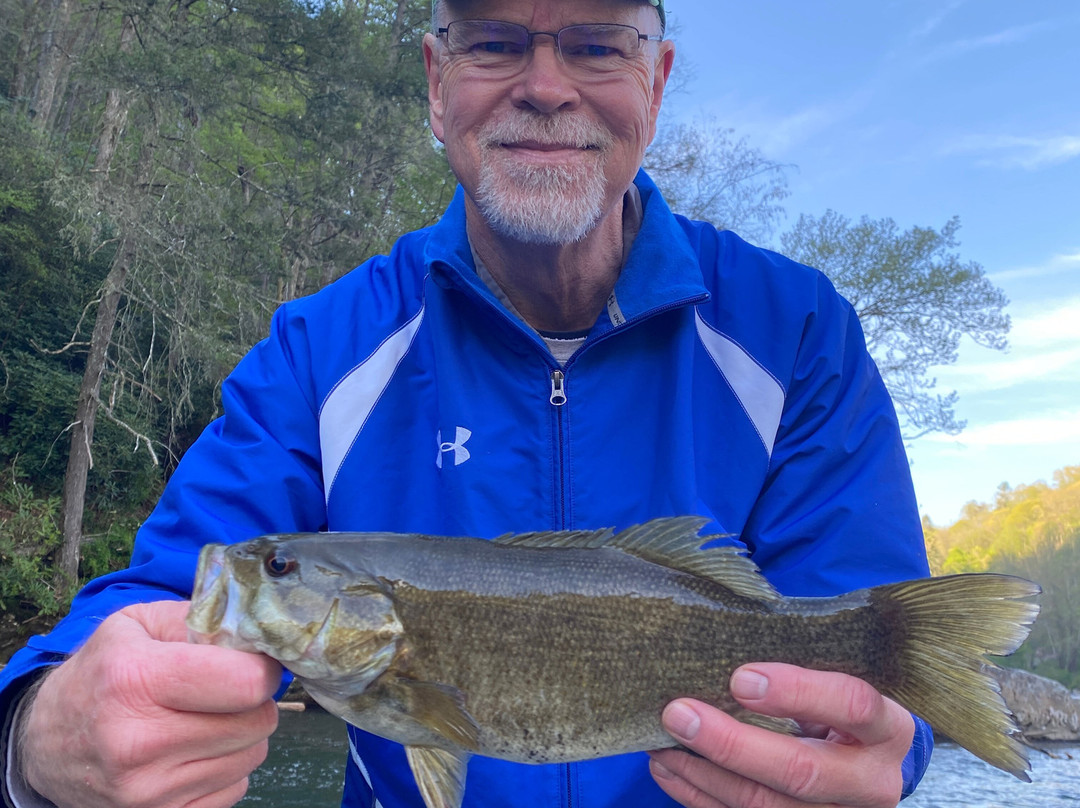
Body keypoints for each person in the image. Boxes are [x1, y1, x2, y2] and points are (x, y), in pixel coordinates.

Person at [0, 0, 936, 806]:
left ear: (655, 85)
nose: (545, 86)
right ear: (436, 84)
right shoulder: (319, 351)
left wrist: (879, 748)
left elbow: (891, 681)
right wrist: (33, 734)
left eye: (597, 44)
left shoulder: (801, 333)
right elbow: (148, 611)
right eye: (492, 41)